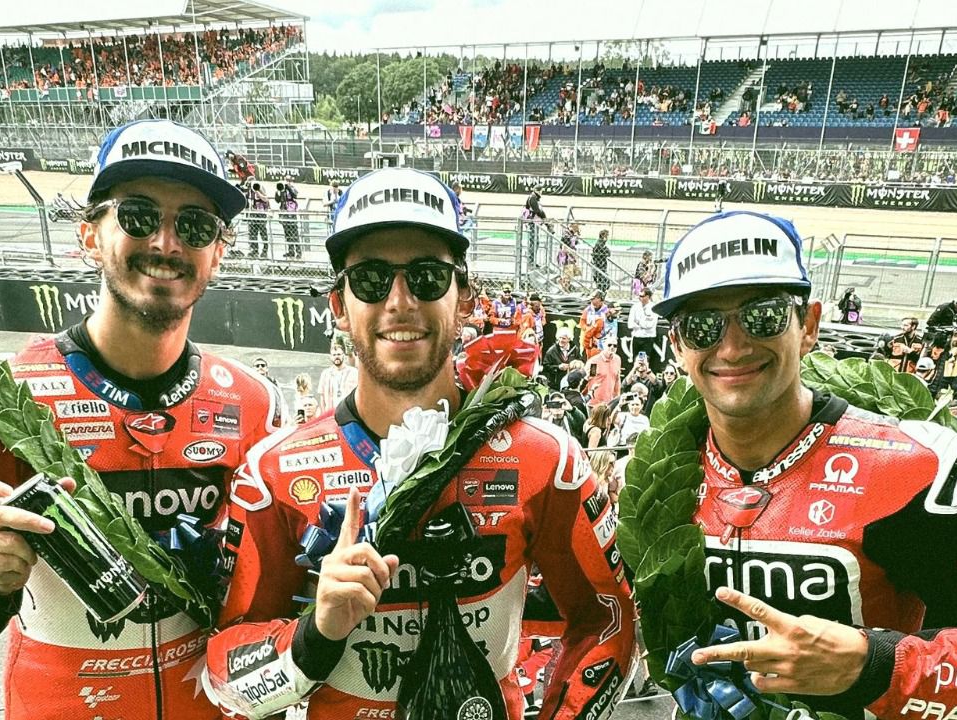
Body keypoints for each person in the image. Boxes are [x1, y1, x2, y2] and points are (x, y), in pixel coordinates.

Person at [0, 118, 281, 719]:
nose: (166, 243)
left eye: (194, 225)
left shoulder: (256, 403)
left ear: (218, 252)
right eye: (137, 215)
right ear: (89, 236)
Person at [202, 167, 635, 719]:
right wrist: (315, 634)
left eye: (428, 277)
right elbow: (224, 672)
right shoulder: (274, 471)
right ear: (339, 306)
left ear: (465, 299)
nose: (400, 301)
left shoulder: (548, 460)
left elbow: (609, 621)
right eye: (371, 279)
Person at [653, 210, 957, 718]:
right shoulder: (660, 476)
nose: (733, 347)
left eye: (763, 316)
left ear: (808, 325)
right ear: (677, 345)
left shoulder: (923, 469)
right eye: (702, 326)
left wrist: (873, 665)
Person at [317, 343, 359, 413]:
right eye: (334, 355)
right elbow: (322, 396)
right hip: (330, 412)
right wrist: (323, 413)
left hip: (348, 412)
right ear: (330, 357)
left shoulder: (353, 372)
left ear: (343, 355)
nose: (336, 357)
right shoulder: (325, 374)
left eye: (339, 354)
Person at [627, 287, 660, 371]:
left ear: (648, 296)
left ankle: (643, 376)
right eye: (639, 296)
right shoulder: (635, 307)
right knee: (635, 360)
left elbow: (649, 325)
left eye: (642, 296)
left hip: (647, 339)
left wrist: (638, 323)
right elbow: (630, 324)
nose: (640, 298)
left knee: (644, 360)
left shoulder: (653, 308)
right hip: (637, 337)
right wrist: (642, 324)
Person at [584, 337, 622, 406]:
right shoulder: (594, 362)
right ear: (604, 345)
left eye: (615, 346)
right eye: (609, 345)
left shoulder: (617, 359)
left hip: (610, 403)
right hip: (594, 404)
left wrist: (617, 398)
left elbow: (617, 379)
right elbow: (589, 380)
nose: (612, 347)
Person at [542, 327, 582, 392]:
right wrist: (558, 367)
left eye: (563, 338)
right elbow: (545, 367)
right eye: (559, 338)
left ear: (569, 339)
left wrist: (575, 365)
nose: (561, 340)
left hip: (571, 385)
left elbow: (580, 362)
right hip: (555, 386)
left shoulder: (575, 349)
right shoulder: (551, 351)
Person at [244, 182, 272, 258]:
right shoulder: (249, 192)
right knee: (253, 234)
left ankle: (265, 250)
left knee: (263, 233)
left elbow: (266, 199)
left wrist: (257, 191)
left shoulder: (260, 189)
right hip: (252, 214)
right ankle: (254, 250)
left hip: (261, 214)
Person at [276, 180, 301, 258]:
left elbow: (295, 196)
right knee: (287, 233)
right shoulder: (281, 190)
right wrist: (278, 191)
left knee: (294, 233)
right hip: (284, 213)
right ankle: (291, 251)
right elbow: (277, 200)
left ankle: (298, 252)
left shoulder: (292, 188)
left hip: (291, 213)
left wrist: (289, 188)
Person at [591, 229, 611, 294]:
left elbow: (608, 253)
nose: (607, 238)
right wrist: (606, 252)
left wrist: (606, 252)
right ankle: (601, 292)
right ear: (602, 236)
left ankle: (602, 291)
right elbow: (606, 252)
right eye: (606, 236)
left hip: (601, 264)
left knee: (604, 280)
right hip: (599, 265)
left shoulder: (602, 243)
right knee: (601, 280)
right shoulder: (599, 243)